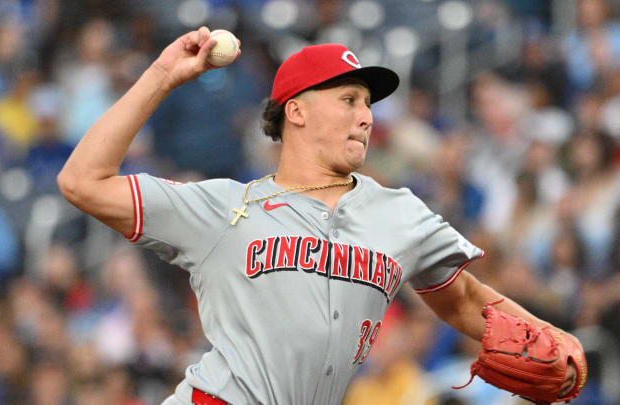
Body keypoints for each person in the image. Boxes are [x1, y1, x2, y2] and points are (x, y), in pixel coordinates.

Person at [58, 27, 581, 405]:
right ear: (297, 110)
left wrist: (553, 335)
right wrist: (162, 76)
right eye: (349, 98)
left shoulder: (397, 211)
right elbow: (81, 181)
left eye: (369, 104)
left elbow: (463, 297)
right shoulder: (223, 207)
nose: (367, 116)